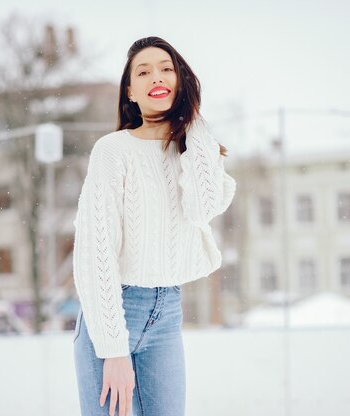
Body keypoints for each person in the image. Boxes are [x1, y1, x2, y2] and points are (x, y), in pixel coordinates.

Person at [72, 36, 236, 416]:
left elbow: (203, 208)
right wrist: (112, 349)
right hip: (113, 307)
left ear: (180, 80)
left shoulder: (195, 147)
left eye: (166, 68)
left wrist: (193, 125)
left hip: (167, 312)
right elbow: (95, 251)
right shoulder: (113, 151)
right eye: (143, 72)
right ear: (130, 91)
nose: (156, 77)